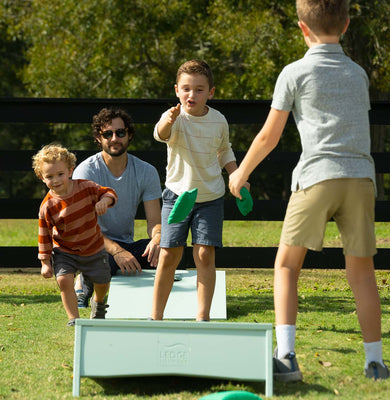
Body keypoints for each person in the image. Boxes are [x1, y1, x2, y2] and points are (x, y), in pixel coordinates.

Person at [229, 0, 390, 382]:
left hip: (317, 176)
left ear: (303, 28)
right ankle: (375, 363)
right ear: (347, 25)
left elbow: (270, 136)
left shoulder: (294, 72)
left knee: (287, 265)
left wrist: (240, 176)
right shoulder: (358, 74)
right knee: (363, 273)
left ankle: (286, 357)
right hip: (360, 179)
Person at [151, 59, 247, 321]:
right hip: (176, 195)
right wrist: (168, 121)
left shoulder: (218, 121)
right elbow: (160, 134)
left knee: (204, 254)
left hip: (210, 198)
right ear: (176, 90)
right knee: (170, 254)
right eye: (186, 89)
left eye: (199, 89)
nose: (191, 95)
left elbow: (224, 150)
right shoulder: (173, 117)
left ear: (211, 92)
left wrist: (236, 174)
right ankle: (155, 316)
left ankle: (202, 317)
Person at [73, 108, 162, 307]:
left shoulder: (147, 171)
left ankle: (167, 297)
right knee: (104, 260)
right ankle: (83, 284)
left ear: (129, 135)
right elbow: (84, 229)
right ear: (98, 138)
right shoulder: (85, 171)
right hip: (94, 245)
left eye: (120, 133)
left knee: (169, 249)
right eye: (108, 134)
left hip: (126, 244)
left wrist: (157, 237)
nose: (115, 138)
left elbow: (155, 222)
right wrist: (116, 251)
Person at [32, 144, 117, 326]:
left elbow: (109, 192)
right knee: (63, 280)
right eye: (49, 176)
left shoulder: (85, 187)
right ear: (41, 177)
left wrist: (104, 201)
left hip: (93, 247)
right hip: (65, 251)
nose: (56, 180)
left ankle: (98, 302)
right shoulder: (47, 207)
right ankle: (74, 319)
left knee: (103, 282)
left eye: (60, 174)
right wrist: (45, 263)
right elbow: (44, 236)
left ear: (70, 170)